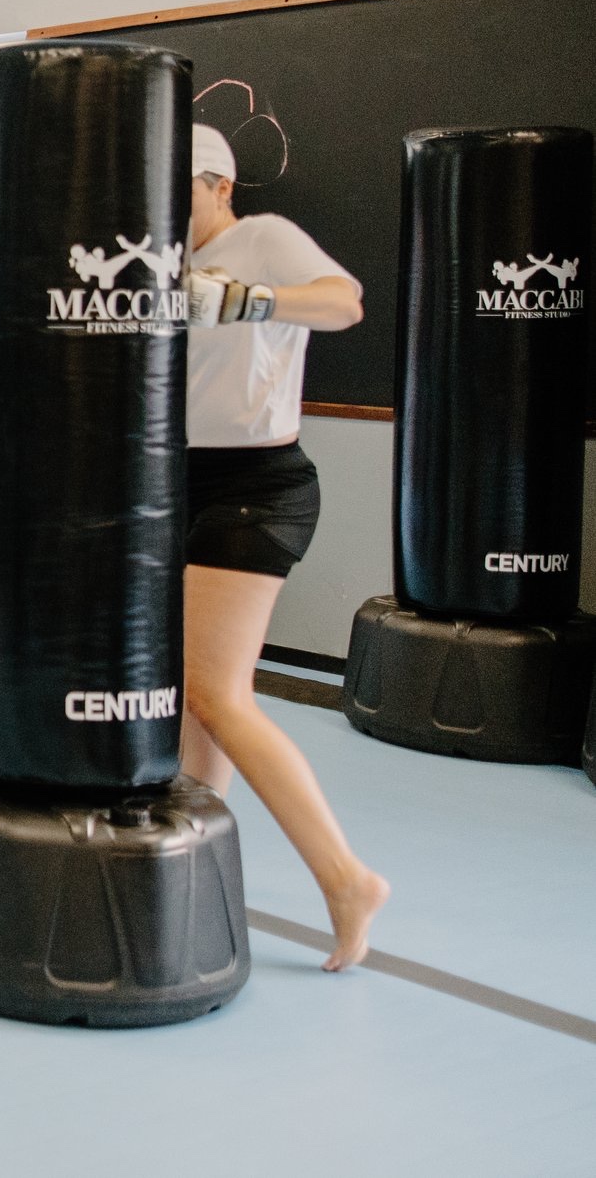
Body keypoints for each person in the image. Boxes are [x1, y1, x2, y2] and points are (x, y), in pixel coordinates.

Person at [181, 122, 389, 970]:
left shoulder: (259, 238)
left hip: (257, 486)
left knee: (218, 694)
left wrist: (249, 299)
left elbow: (346, 301)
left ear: (219, 186)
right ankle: (194, 874)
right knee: (196, 698)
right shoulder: (166, 265)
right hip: (190, 484)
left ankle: (347, 878)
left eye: (179, 190)